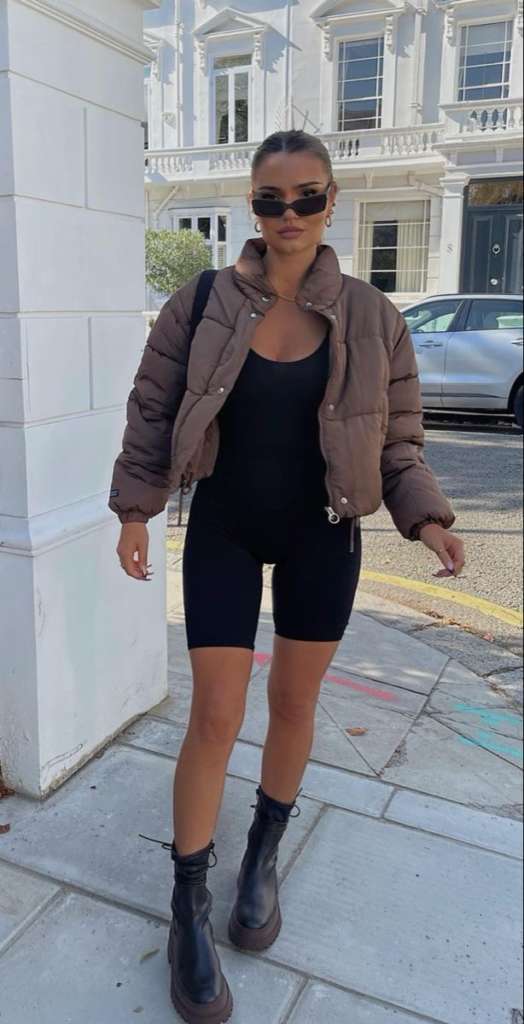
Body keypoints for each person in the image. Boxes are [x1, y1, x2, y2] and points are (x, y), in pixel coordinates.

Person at [109, 130, 465, 1024]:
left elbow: (398, 438)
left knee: (296, 705)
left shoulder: (374, 316)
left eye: (307, 197)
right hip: (224, 527)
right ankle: (189, 903)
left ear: (331, 201)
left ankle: (263, 854)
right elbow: (152, 409)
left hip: (323, 535)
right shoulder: (200, 303)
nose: (290, 214)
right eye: (272, 200)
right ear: (253, 208)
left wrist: (425, 515)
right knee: (215, 715)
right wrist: (134, 510)